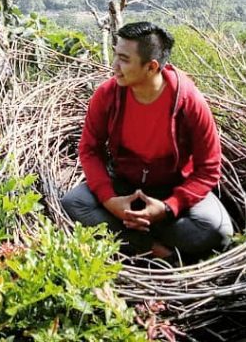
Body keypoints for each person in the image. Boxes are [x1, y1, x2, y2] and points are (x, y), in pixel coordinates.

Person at [61, 21, 233, 262]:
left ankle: (130, 236)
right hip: (123, 183)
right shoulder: (108, 95)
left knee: (218, 231)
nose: (114, 67)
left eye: (124, 59)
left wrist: (167, 208)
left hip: (172, 188)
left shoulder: (189, 102)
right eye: (115, 55)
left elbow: (209, 169)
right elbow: (90, 150)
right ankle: (154, 249)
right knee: (73, 204)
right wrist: (111, 202)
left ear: (151, 67)